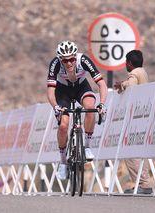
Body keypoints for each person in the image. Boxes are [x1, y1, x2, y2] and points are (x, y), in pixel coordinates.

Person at [47, 40, 107, 180]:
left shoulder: (83, 60)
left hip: (81, 88)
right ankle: (62, 163)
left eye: (71, 59)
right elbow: (50, 91)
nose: (69, 63)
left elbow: (102, 85)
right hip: (63, 93)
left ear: (76, 56)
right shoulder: (55, 64)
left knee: (90, 108)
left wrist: (102, 104)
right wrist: (55, 107)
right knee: (63, 125)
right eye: (65, 60)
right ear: (60, 59)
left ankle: (86, 146)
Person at [114, 49, 153, 194]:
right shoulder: (143, 72)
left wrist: (122, 85)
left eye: (126, 62)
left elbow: (131, 85)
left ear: (129, 63)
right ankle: (142, 184)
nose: (125, 64)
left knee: (131, 152)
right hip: (142, 117)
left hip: (137, 119)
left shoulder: (135, 73)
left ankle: (143, 184)